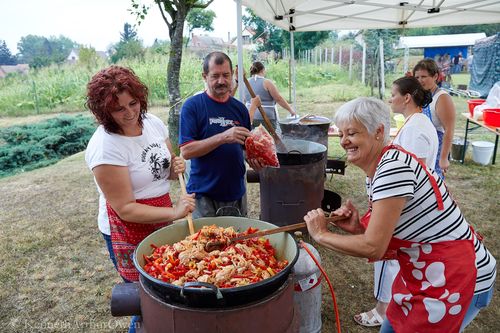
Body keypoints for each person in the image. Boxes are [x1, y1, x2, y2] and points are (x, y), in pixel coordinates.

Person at [304, 97, 496, 333]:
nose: (344, 141)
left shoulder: (393, 169)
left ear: (378, 131)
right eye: (341, 134)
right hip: (424, 272)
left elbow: (373, 247)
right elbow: (385, 236)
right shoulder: (379, 168)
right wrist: (359, 229)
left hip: (457, 276)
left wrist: (321, 234)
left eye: (352, 133)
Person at [85, 66, 196, 281]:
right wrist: (174, 212)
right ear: (104, 111)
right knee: (142, 294)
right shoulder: (105, 147)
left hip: (161, 216)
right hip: (128, 226)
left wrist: (176, 168)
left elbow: (166, 170)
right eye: (119, 109)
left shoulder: (152, 123)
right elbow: (126, 209)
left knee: (168, 278)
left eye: (133, 103)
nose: (130, 113)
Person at [354, 78, 439, 327]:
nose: (390, 99)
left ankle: (382, 308)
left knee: (386, 257)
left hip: (404, 211)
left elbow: (413, 171)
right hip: (404, 209)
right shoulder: (414, 123)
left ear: (407, 97)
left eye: (393, 94)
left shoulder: (417, 128)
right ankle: (389, 305)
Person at [179, 52, 262, 219]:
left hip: (236, 193)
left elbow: (244, 147)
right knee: (206, 244)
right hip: (203, 195)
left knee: (239, 243)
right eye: (215, 76)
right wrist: (223, 137)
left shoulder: (240, 109)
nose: (221, 81)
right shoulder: (192, 107)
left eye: (226, 75)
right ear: (205, 76)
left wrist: (255, 160)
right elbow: (186, 151)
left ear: (232, 75)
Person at [413, 58, 456, 179]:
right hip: (423, 145)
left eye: (424, 76)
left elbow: (449, 129)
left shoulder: (442, 98)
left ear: (435, 76)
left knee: (434, 182)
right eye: (417, 77)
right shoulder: (422, 95)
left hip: (436, 147)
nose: (420, 80)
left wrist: (443, 158)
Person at [241, 61, 296, 129]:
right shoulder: (267, 82)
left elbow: (244, 100)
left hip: (250, 116)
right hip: (266, 118)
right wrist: (291, 110)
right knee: (269, 138)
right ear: (263, 70)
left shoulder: (246, 83)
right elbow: (278, 98)